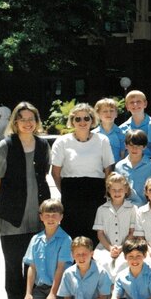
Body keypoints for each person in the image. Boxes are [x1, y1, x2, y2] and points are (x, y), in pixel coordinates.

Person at [0, 101, 52, 299]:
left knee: (33, 257)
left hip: (38, 210)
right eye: (22, 119)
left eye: (31, 119)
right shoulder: (6, 145)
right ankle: (15, 296)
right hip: (11, 212)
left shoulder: (43, 145)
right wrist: (13, 198)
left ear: (36, 121)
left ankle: (31, 295)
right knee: (13, 257)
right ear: (15, 121)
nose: (27, 123)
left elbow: (43, 174)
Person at [51, 103, 114, 241]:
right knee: (72, 232)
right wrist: (65, 191)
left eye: (86, 118)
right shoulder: (62, 142)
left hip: (96, 192)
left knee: (95, 231)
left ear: (92, 120)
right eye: (77, 119)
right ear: (72, 121)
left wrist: (105, 191)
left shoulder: (102, 140)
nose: (82, 122)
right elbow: (55, 172)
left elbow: (108, 169)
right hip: (71, 192)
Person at [38, 235, 110, 299]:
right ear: (72, 256)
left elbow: (103, 298)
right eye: (77, 254)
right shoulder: (68, 272)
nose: (81, 257)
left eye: (84, 254)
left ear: (92, 254)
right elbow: (67, 298)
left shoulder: (101, 272)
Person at [19, 199, 73, 299]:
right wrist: (28, 293)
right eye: (47, 215)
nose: (50, 219)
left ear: (61, 217)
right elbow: (32, 267)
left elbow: (60, 269)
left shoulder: (65, 239)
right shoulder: (35, 239)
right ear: (41, 217)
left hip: (58, 288)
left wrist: (53, 293)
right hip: (40, 288)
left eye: (54, 215)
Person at [92, 173, 136, 277]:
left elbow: (132, 232)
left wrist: (122, 248)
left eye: (120, 189)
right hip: (105, 247)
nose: (117, 193)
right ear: (108, 190)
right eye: (114, 190)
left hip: (126, 247)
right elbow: (100, 233)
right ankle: (106, 291)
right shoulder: (102, 209)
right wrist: (110, 248)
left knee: (123, 263)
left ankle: (119, 291)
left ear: (126, 190)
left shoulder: (132, 209)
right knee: (104, 263)